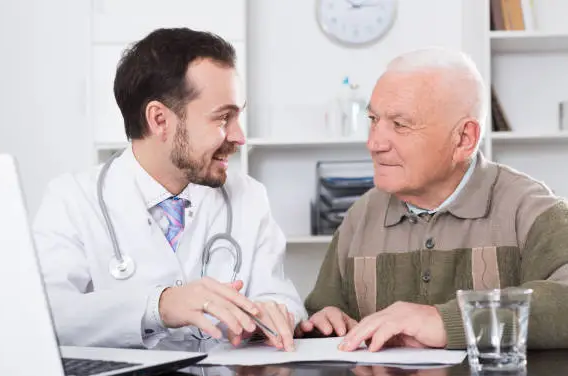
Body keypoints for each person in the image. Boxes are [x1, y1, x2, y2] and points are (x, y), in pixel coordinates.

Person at [33, 27, 305, 350]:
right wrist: (159, 306)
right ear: (159, 120)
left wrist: (274, 313)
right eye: (223, 119)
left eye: (238, 117)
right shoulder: (72, 200)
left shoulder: (249, 197)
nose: (239, 136)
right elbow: (44, 315)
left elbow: (282, 296)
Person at [299, 46, 568, 352]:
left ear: (463, 139)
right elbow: (320, 313)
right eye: (374, 119)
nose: (373, 143)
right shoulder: (359, 217)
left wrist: (450, 321)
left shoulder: (533, 210)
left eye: (400, 125)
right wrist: (323, 322)